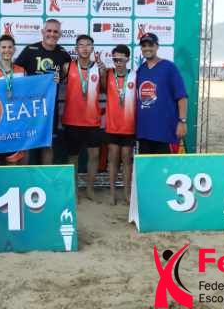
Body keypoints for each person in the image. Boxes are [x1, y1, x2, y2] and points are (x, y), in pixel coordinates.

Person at [14, 19, 71, 164]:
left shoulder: (63, 53)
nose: (52, 34)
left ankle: (46, 176)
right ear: (42, 32)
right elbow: (15, 73)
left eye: (55, 31)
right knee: (27, 143)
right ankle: (25, 176)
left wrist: (61, 78)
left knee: (48, 143)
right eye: (49, 31)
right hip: (28, 107)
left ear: (60, 34)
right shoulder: (30, 50)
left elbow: (68, 76)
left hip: (50, 108)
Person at [60, 34, 106, 199]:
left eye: (88, 45)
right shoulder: (67, 67)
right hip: (72, 120)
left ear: (92, 48)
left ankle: (90, 190)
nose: (85, 48)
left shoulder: (99, 68)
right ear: (76, 48)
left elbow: (104, 88)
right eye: (81, 45)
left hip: (93, 120)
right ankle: (73, 190)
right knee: (73, 157)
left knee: (94, 156)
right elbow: (54, 83)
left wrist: (103, 73)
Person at [135, 33, 188, 154]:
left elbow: (182, 96)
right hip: (144, 131)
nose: (147, 48)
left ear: (157, 46)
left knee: (165, 165)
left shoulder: (169, 67)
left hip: (165, 132)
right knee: (146, 165)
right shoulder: (140, 70)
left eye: (150, 45)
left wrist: (182, 121)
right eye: (144, 45)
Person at [0, 34, 27, 165]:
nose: (7, 50)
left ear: (14, 49)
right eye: (3, 47)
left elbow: (28, 94)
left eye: (10, 47)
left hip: (16, 122)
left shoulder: (22, 71)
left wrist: (51, 81)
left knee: (13, 163)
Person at [103, 44, 136, 205]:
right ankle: (112, 193)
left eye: (121, 59)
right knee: (113, 159)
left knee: (127, 160)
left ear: (127, 59)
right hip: (112, 126)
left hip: (129, 126)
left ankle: (127, 194)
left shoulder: (134, 75)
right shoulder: (108, 74)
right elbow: (100, 88)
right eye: (115, 59)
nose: (118, 62)